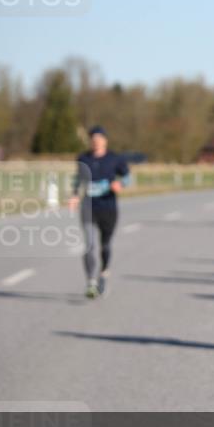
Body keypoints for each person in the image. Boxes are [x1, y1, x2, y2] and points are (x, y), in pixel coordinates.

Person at [68, 126, 130, 299]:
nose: (96, 142)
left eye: (99, 138)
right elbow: (78, 179)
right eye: (93, 139)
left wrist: (121, 184)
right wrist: (74, 195)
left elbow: (127, 177)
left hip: (108, 208)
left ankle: (103, 272)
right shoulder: (83, 158)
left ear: (105, 140)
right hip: (88, 207)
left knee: (105, 245)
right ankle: (91, 282)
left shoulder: (115, 159)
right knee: (89, 245)